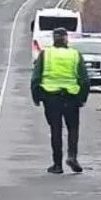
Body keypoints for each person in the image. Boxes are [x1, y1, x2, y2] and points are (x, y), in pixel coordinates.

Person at [31, 27, 91, 174]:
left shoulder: (46, 54)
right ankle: (72, 156)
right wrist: (82, 98)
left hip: (51, 98)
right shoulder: (75, 55)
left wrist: (36, 97)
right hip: (71, 97)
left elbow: (36, 78)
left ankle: (57, 165)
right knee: (73, 128)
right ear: (66, 39)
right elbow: (85, 80)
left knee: (55, 130)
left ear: (54, 39)